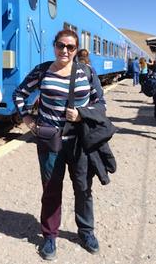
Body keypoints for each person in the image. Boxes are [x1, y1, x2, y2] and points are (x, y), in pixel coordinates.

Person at [12, 29, 101, 260]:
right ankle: (50, 236)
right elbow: (20, 93)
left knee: (83, 188)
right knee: (51, 190)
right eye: (61, 45)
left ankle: (86, 232)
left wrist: (81, 115)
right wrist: (29, 120)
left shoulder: (86, 72)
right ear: (54, 46)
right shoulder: (42, 71)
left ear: (76, 49)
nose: (65, 51)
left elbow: (100, 103)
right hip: (50, 141)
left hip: (80, 142)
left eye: (70, 47)